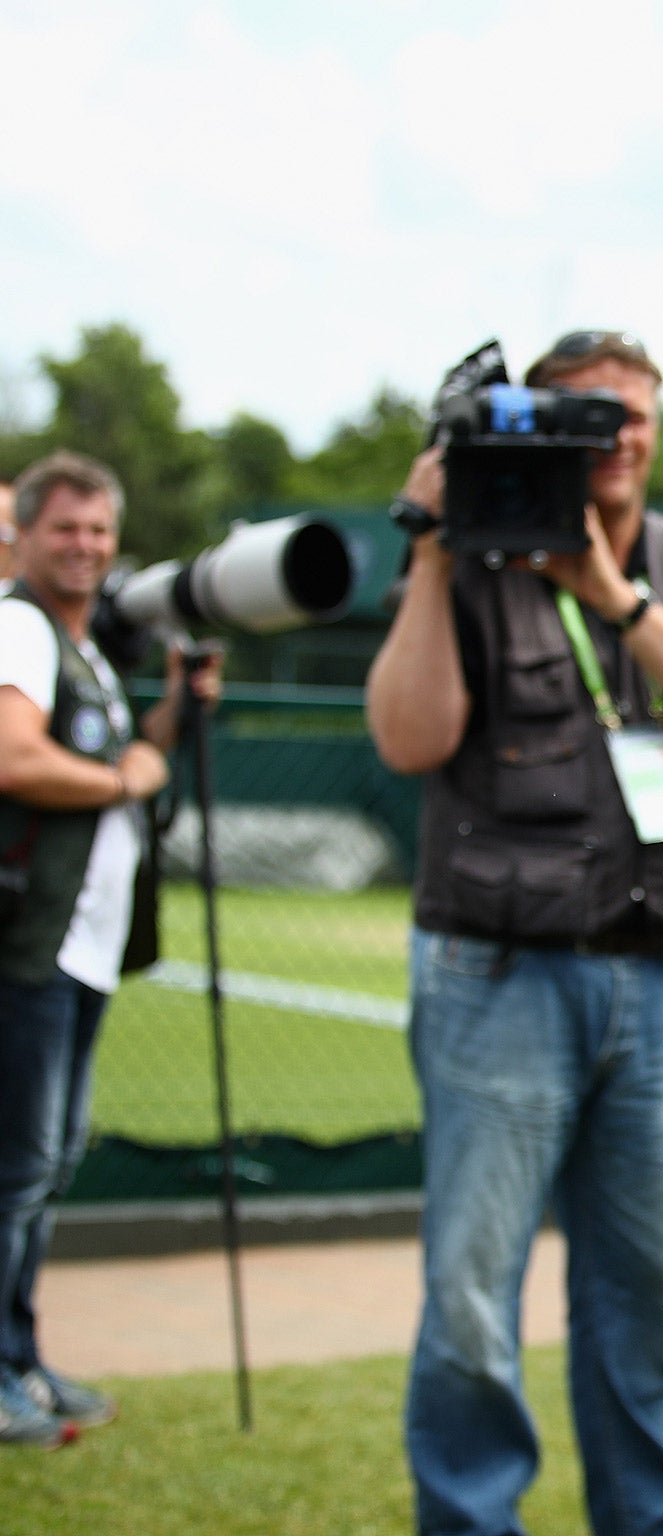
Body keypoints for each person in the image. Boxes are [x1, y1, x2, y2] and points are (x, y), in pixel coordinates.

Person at [365, 330, 663, 1536]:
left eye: (636, 414)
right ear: (532, 424)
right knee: (472, 1294)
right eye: (590, 416)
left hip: (639, 975)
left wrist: (617, 597)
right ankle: (471, 1519)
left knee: (645, 1290)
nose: (619, 437)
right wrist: (436, 551)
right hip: (492, 970)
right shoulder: (474, 553)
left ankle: (655, 1523)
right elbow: (408, 736)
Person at [0, 451, 216, 1448]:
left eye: (98, 531)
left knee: (43, 1165)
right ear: (25, 534)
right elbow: (15, 755)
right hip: (25, 947)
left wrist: (174, 710)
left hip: (77, 950)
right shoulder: (17, 626)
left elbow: (133, 759)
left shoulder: (84, 647)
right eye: (64, 529)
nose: (84, 547)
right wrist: (128, 778)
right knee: (16, 1167)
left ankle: (20, 1357)